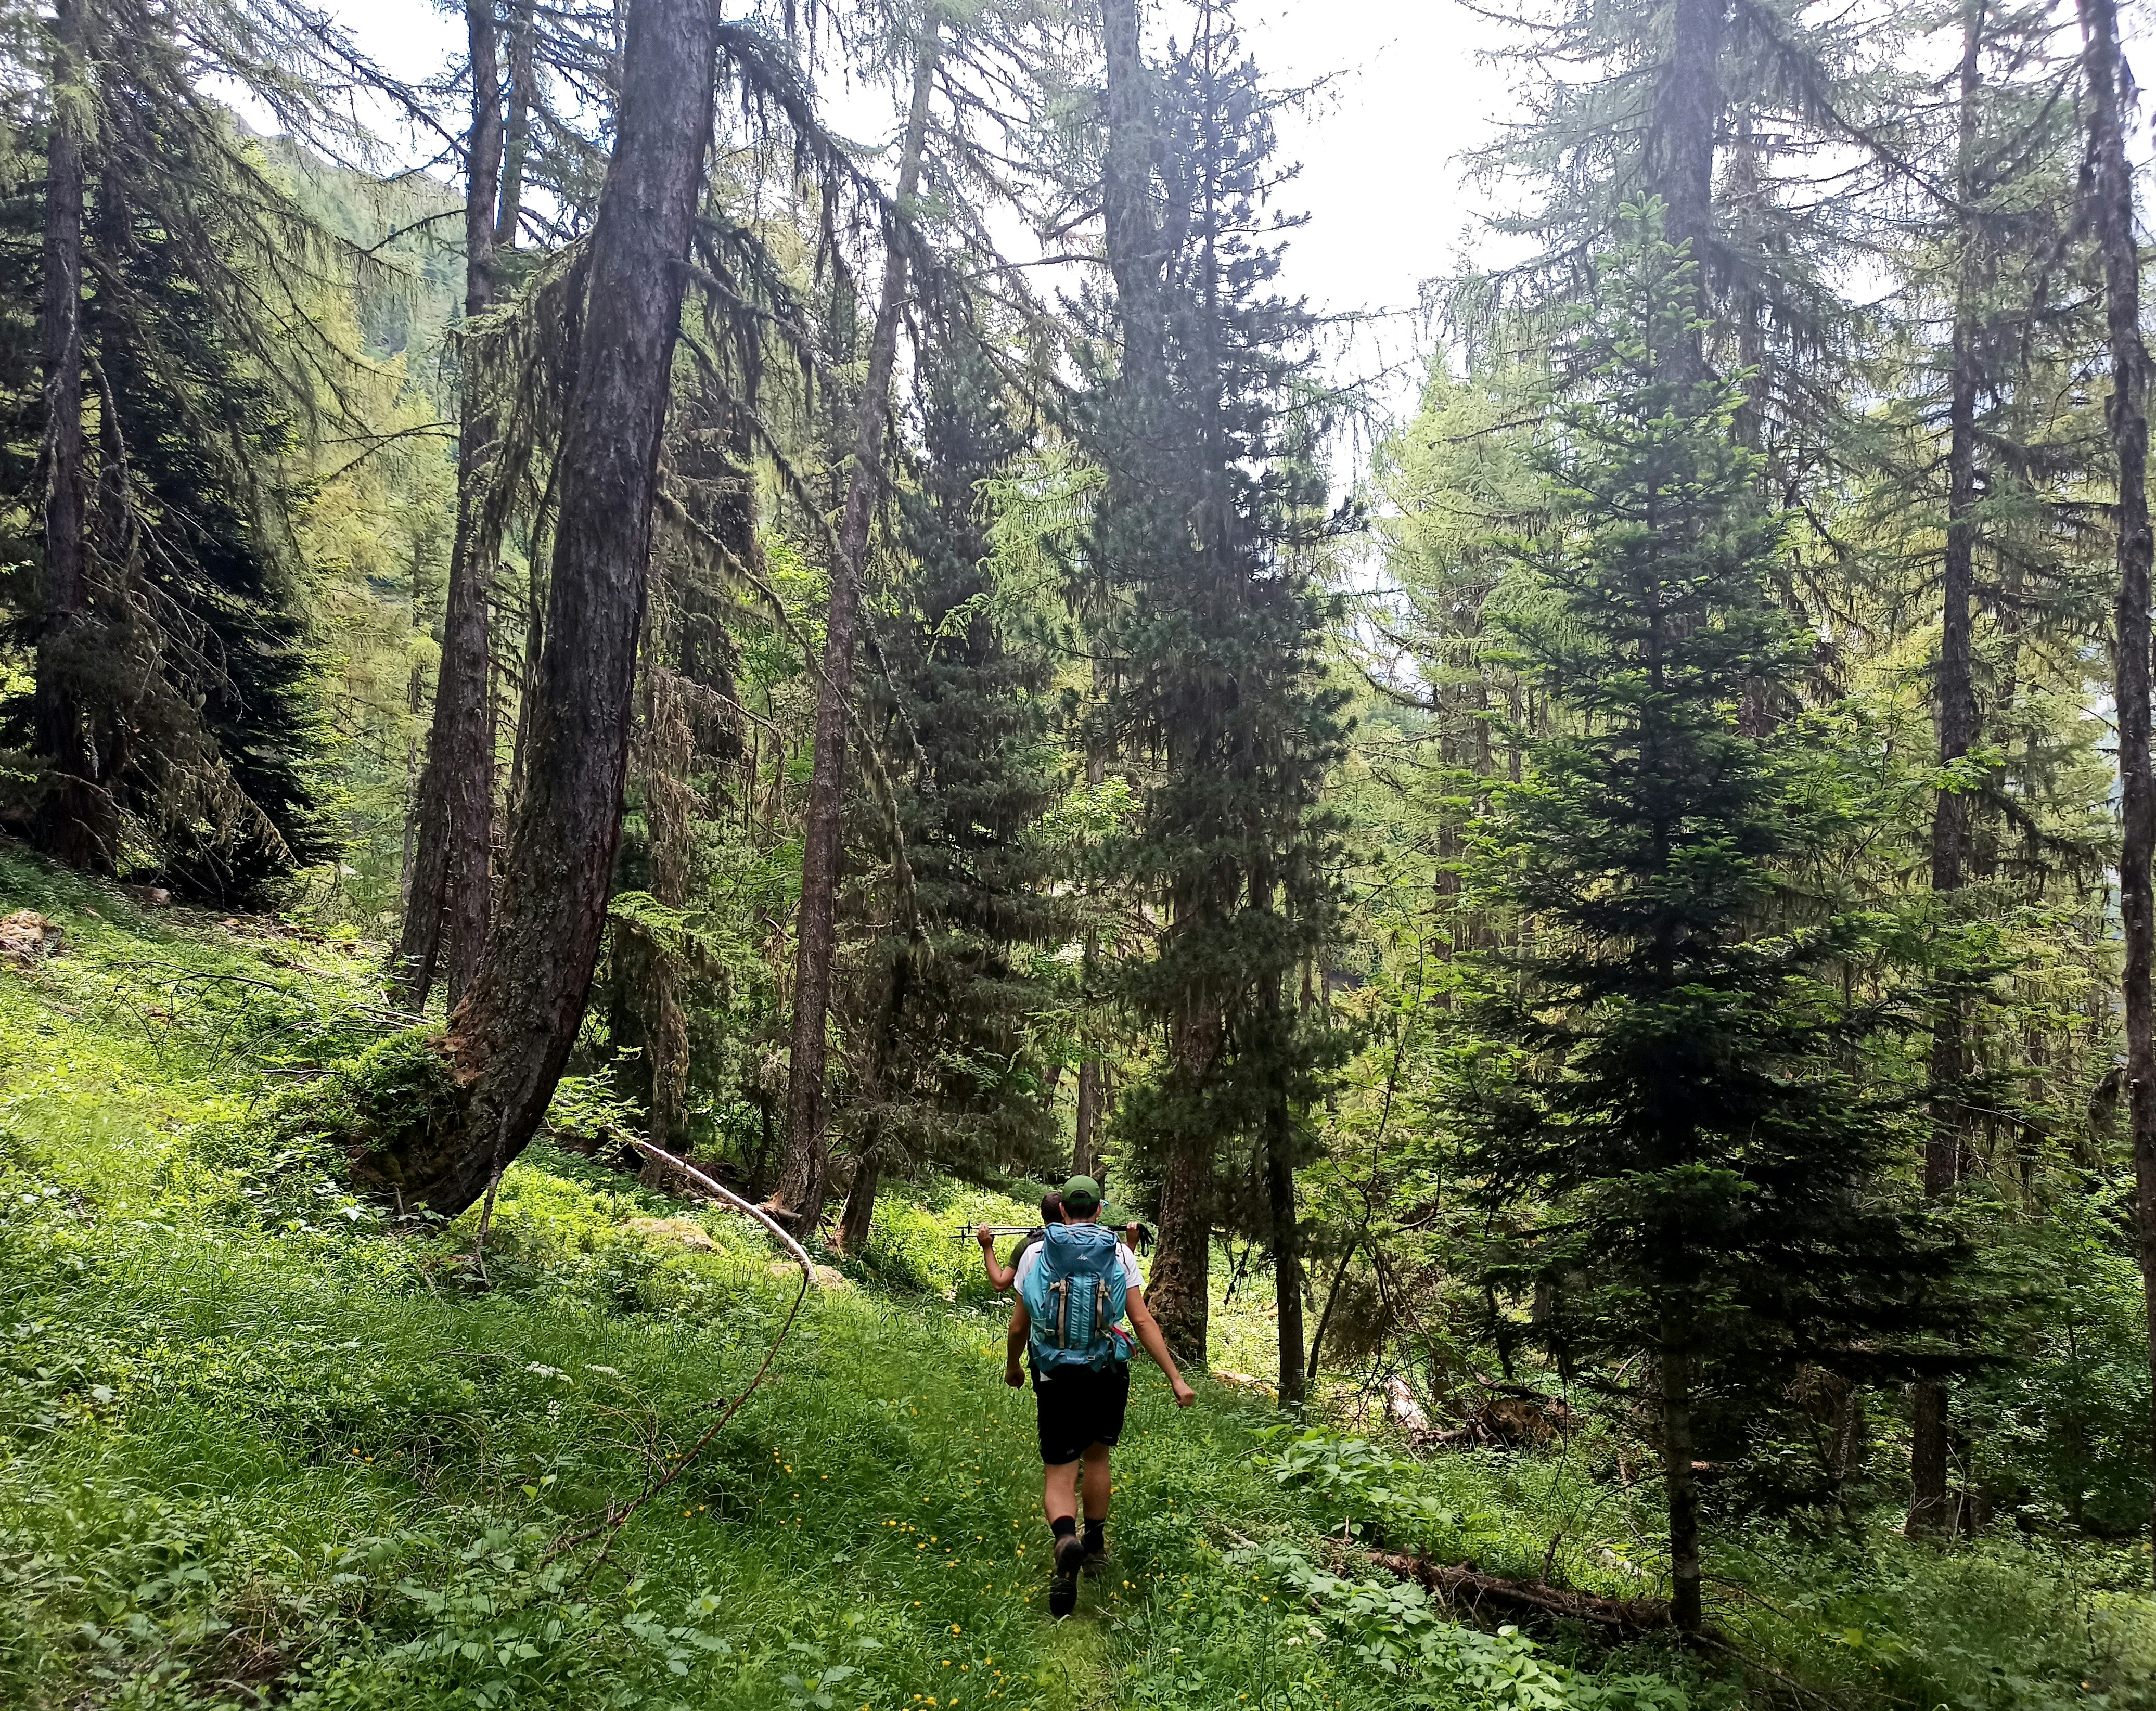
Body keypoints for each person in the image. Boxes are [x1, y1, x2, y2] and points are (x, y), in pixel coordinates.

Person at [1000, 1175, 1194, 1617]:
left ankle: (1065, 1538)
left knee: (1059, 1473)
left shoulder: (1035, 1251)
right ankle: (1096, 1543)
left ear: (1063, 1210)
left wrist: (1014, 1366)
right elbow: (1142, 1321)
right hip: (1107, 1370)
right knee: (1098, 1459)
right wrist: (1176, 1379)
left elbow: (1018, 1326)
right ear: (1100, 1211)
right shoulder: (1119, 1252)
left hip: (1054, 1375)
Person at [976, 1192, 1064, 1292]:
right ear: (1065, 1212)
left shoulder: (1028, 1244)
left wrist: (987, 1247)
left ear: (1042, 1214)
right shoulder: (1080, 1241)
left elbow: (1000, 1283)